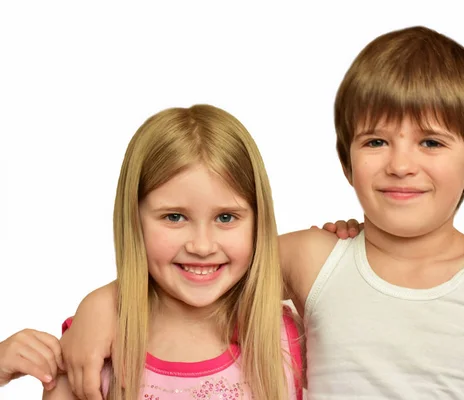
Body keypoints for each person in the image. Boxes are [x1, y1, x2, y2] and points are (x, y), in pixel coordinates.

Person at [61, 26, 464, 399]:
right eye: (376, 141)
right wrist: (101, 304)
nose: (401, 164)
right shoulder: (314, 257)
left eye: (431, 142)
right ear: (347, 160)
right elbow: (200, 268)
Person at [42, 104, 309, 399]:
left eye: (225, 217)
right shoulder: (91, 349)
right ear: (133, 219)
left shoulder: (291, 339)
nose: (202, 246)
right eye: (174, 217)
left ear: (259, 221)